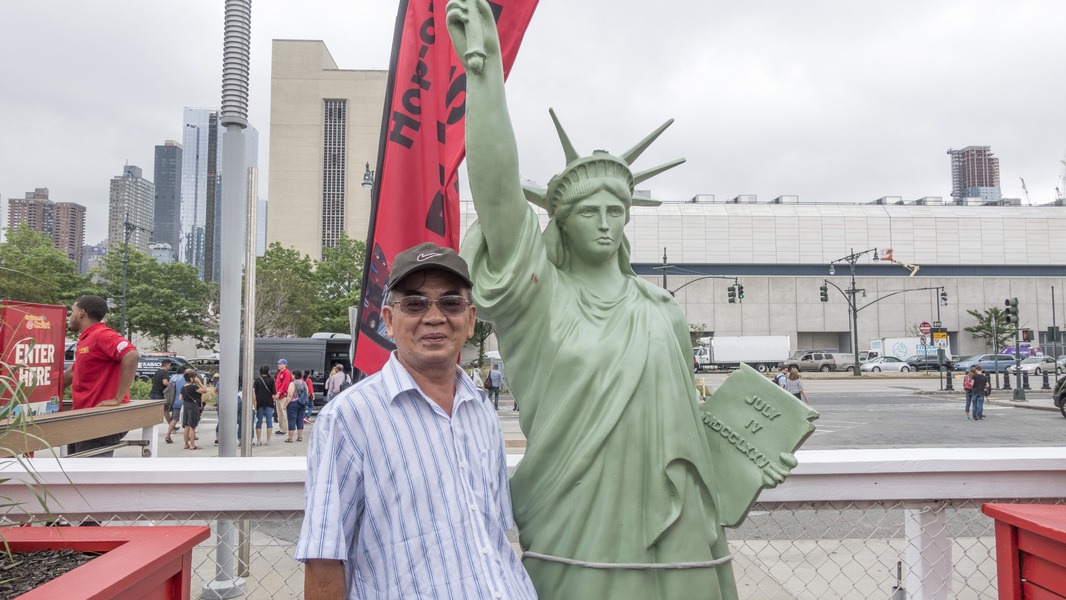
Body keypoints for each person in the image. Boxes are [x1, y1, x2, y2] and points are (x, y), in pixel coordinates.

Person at [446, 3, 742, 597]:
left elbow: (691, 427)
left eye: (616, 211)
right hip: (571, 527)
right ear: (561, 221)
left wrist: (747, 457)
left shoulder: (662, 312)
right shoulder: (541, 299)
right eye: (590, 212)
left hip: (675, 531)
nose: (605, 224)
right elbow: (499, 193)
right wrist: (485, 76)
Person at [296, 242, 536, 600]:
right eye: (414, 304)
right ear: (389, 320)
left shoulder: (481, 408)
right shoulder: (349, 417)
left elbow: (491, 531)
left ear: (471, 319)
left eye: (451, 303)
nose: (434, 317)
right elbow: (324, 556)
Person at [62, 295, 140, 457]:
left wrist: (117, 399)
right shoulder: (87, 339)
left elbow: (132, 355)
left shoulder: (102, 335)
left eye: (72, 311)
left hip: (97, 420)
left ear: (81, 313)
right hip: (83, 419)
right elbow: (73, 372)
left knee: (90, 472)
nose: (70, 316)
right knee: (76, 469)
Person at [181, 370, 207, 450]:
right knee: (193, 426)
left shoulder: (183, 388)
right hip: (193, 407)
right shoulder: (193, 387)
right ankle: (192, 445)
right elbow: (205, 390)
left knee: (186, 426)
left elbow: (180, 398)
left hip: (186, 406)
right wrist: (199, 382)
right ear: (191, 378)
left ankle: (186, 444)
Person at [253, 364, 276, 446]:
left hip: (259, 402)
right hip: (269, 402)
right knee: (269, 422)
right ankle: (268, 440)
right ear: (268, 371)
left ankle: (258, 440)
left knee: (258, 422)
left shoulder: (257, 380)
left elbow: (254, 392)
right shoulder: (271, 380)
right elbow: (273, 392)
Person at [285, 370, 308, 443]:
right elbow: (307, 393)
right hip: (302, 403)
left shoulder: (292, 384)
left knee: (292, 420)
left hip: (293, 403)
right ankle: (299, 437)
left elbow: (289, 395)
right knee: (300, 420)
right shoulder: (304, 383)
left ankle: (290, 438)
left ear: (294, 375)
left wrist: (285, 405)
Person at [165, 368, 186, 444]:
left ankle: (168, 434)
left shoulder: (173, 377)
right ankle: (190, 437)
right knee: (188, 420)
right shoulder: (185, 378)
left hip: (174, 401)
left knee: (174, 419)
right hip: (185, 401)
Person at [274, 359, 293, 436]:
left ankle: (284, 430)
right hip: (278, 395)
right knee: (279, 413)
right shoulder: (280, 373)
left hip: (282, 395)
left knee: (283, 412)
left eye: (280, 364)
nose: (278, 365)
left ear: (285, 365)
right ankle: (282, 428)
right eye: (278, 364)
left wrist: (279, 393)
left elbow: (285, 384)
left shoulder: (286, 373)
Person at [150, 359, 172, 423]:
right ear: (167, 365)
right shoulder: (165, 373)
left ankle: (152, 424)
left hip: (153, 393)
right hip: (159, 394)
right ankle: (171, 426)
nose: (169, 367)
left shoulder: (157, 372)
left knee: (155, 410)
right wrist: (172, 385)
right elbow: (165, 382)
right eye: (169, 365)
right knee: (165, 410)